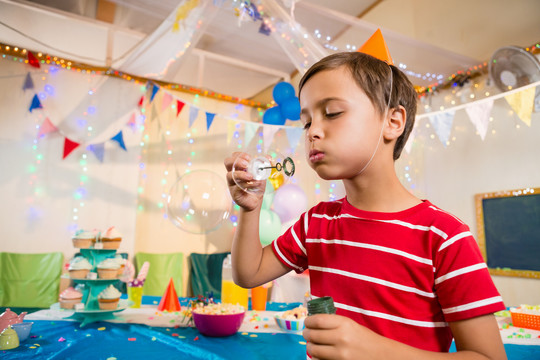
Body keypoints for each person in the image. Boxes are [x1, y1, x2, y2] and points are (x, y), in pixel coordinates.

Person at [224, 44, 506, 359]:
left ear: (393, 122)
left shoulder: (444, 237)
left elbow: (488, 356)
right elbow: (248, 275)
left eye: (332, 113)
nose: (313, 131)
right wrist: (250, 208)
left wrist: (373, 349)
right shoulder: (316, 224)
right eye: (306, 122)